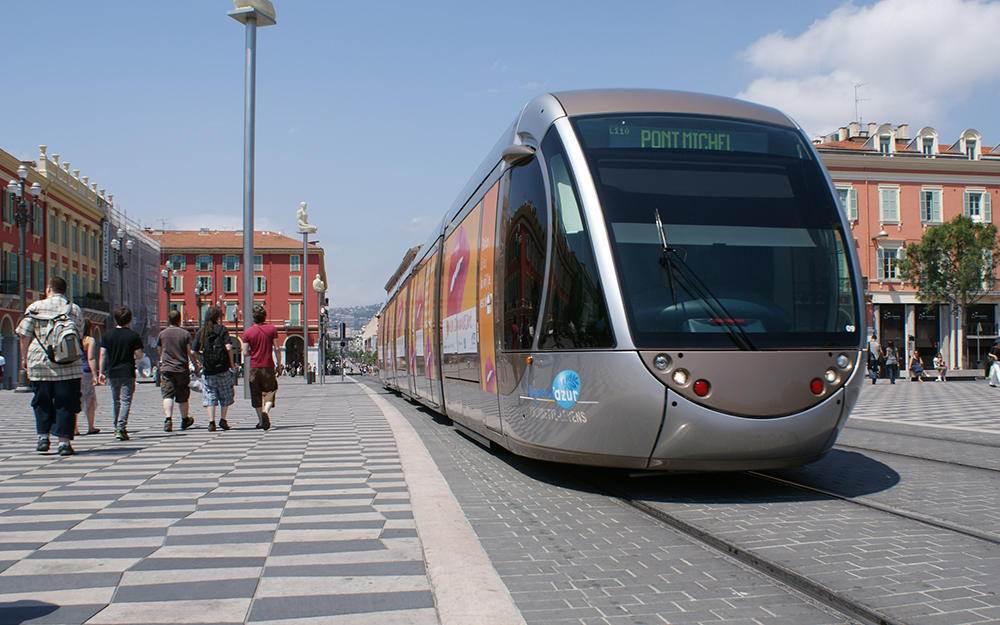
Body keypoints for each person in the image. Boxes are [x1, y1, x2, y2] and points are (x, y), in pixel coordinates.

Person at [16, 276, 85, 456]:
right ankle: (63, 443)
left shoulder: (35, 307)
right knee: (66, 402)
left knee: (42, 401)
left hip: (40, 362)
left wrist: (24, 358)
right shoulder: (74, 309)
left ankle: (43, 438)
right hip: (68, 363)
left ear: (48, 289)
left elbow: (24, 335)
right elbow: (79, 333)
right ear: (65, 290)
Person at [99, 307, 145, 441]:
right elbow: (139, 355)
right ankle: (121, 427)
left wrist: (101, 372)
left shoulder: (107, 335)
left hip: (113, 372)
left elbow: (102, 354)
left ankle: (116, 426)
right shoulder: (133, 336)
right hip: (128, 371)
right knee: (125, 400)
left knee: (116, 400)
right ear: (129, 320)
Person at [156, 309, 200, 432]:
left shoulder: (162, 334)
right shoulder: (184, 334)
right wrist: (196, 366)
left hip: (167, 369)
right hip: (181, 368)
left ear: (169, 320)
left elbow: (159, 351)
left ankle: (168, 419)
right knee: (182, 396)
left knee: (167, 394)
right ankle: (185, 419)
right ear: (179, 319)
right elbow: (189, 352)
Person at [194, 306, 234, 431]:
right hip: (222, 369)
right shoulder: (222, 329)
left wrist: (202, 359)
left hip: (208, 370)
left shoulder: (202, 331)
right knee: (225, 394)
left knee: (209, 395)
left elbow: (193, 350)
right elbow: (228, 347)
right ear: (218, 317)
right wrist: (231, 363)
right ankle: (223, 419)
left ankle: (211, 422)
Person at [242, 305, 280, 430]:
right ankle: (266, 411)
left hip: (254, 367)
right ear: (265, 316)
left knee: (256, 393)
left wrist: (254, 351)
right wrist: (279, 365)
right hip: (268, 365)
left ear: (253, 318)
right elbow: (277, 348)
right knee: (271, 390)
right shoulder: (272, 329)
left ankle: (261, 421)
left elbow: (245, 352)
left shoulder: (247, 332)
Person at [76, 319, 100, 435]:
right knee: (90, 398)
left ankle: (74, 428)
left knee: (75, 398)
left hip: (74, 371)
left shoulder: (74, 339)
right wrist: (95, 374)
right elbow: (91, 358)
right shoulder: (89, 340)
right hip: (86, 371)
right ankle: (90, 426)